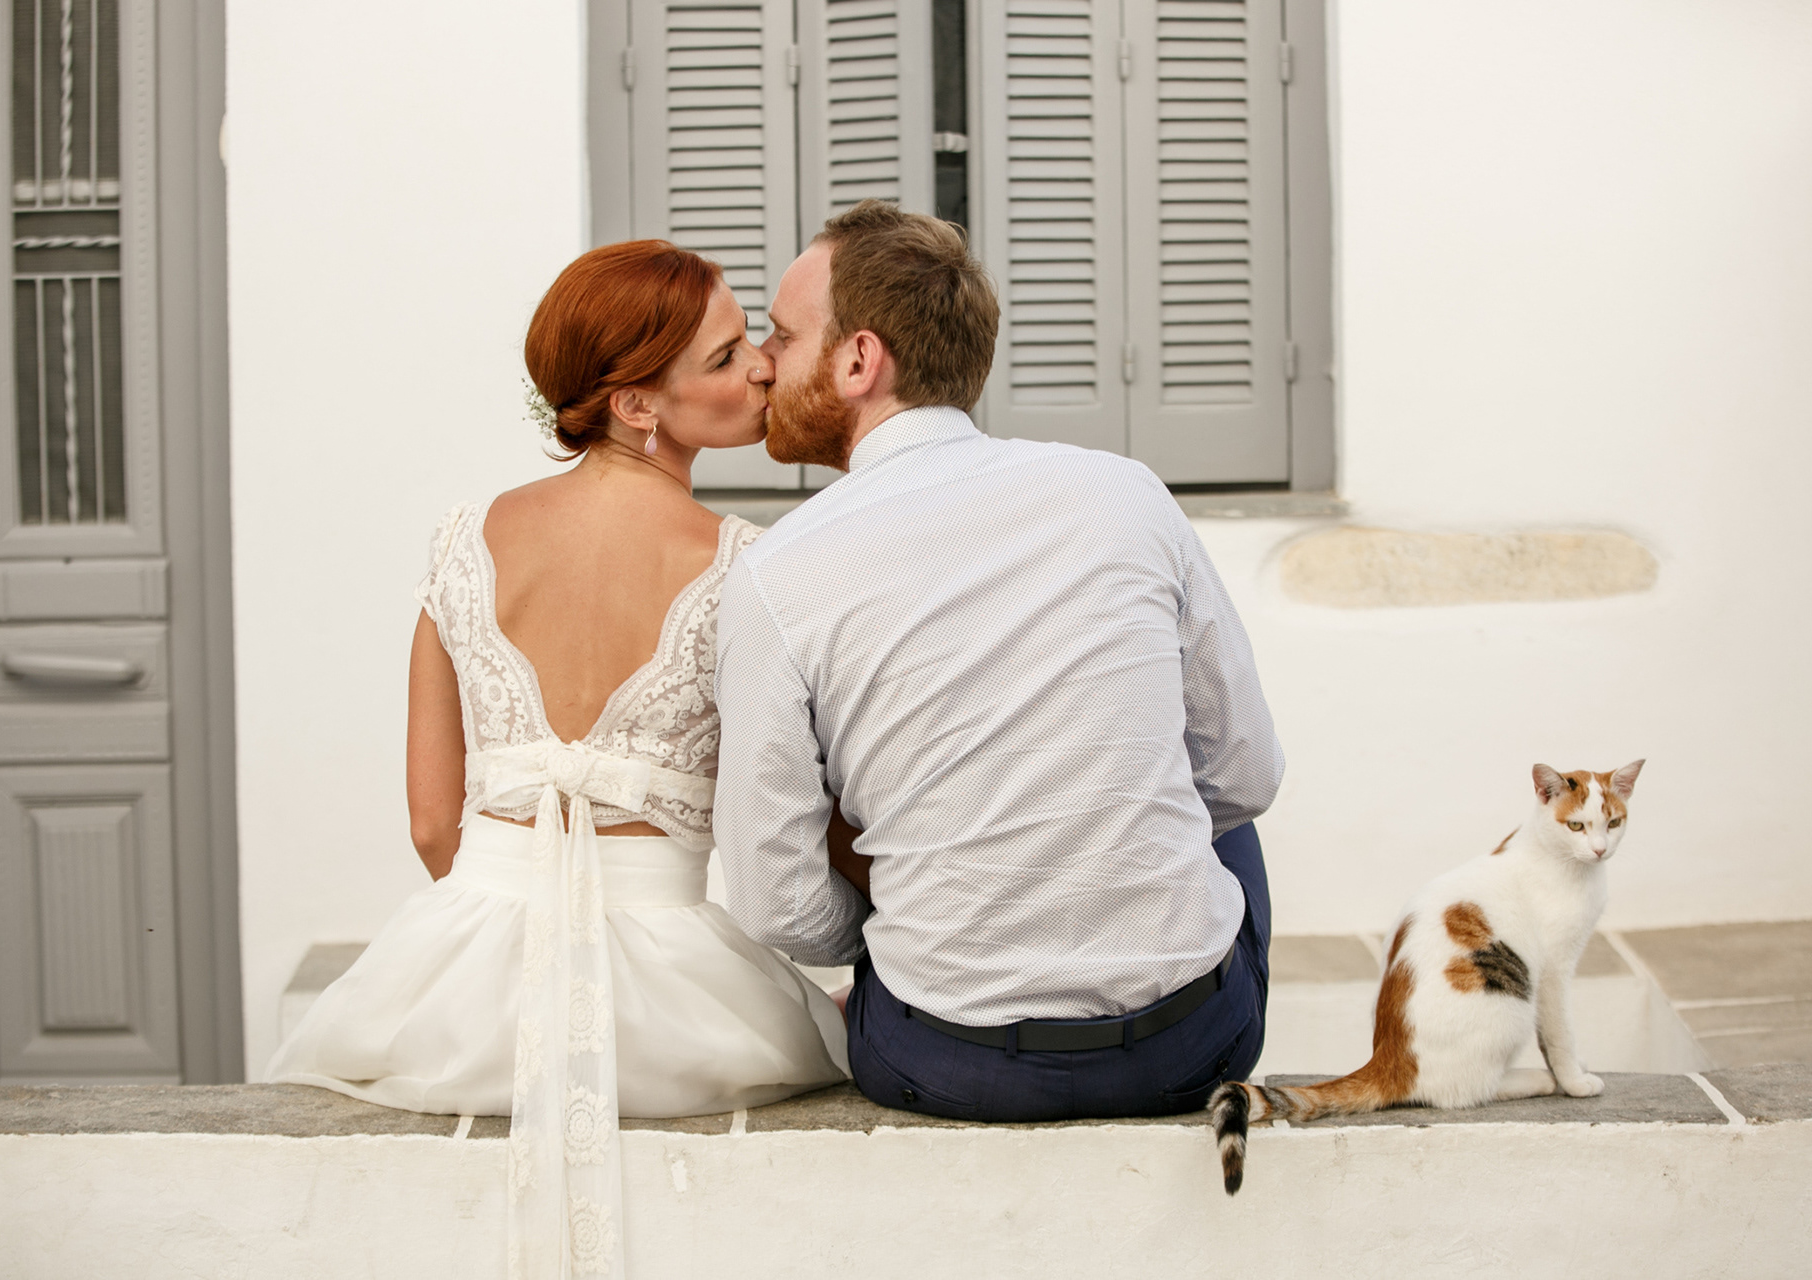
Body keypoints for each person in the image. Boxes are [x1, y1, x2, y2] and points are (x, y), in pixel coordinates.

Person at [268, 241, 847, 1276]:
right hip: (677, 999)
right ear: (636, 404)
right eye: (725, 359)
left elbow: (433, 825)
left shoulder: (466, 541)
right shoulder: (749, 569)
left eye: (752, 337)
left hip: (456, 989)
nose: (763, 365)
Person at [713, 201, 1284, 1123]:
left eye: (781, 333)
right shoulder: (1124, 493)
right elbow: (1246, 777)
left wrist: (926, 919)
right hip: (1191, 1044)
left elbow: (775, 905)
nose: (763, 361)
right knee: (1214, 805)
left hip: (949, 1062)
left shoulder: (774, 576)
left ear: (860, 361)